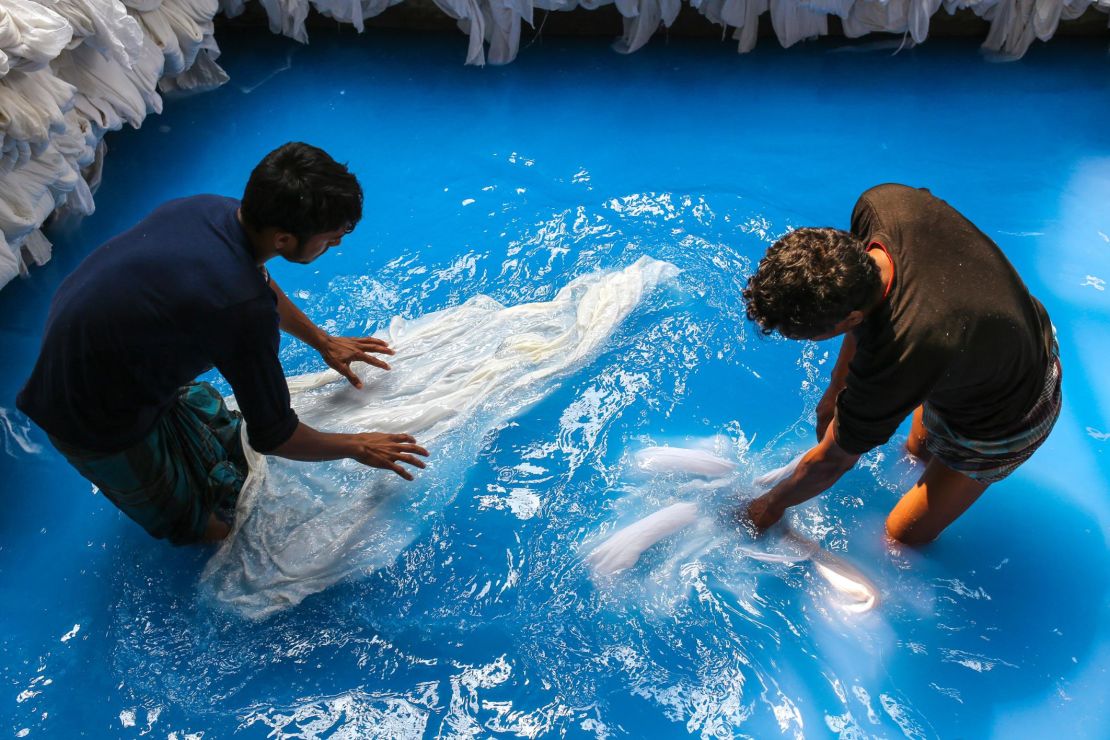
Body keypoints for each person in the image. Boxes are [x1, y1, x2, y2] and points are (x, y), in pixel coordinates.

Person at [16, 142, 429, 545]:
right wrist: (357, 445)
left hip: (91, 351)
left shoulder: (209, 209)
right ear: (283, 239)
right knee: (207, 527)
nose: (334, 244)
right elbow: (276, 437)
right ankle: (192, 520)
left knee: (225, 443)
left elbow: (257, 281)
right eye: (329, 237)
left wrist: (321, 340)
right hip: (89, 418)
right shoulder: (240, 311)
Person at [742, 184, 1061, 545]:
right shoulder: (884, 205)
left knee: (901, 539)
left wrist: (770, 506)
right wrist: (836, 387)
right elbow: (871, 315)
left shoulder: (903, 354)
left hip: (1010, 412)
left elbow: (833, 461)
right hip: (993, 332)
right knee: (915, 454)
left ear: (851, 318)